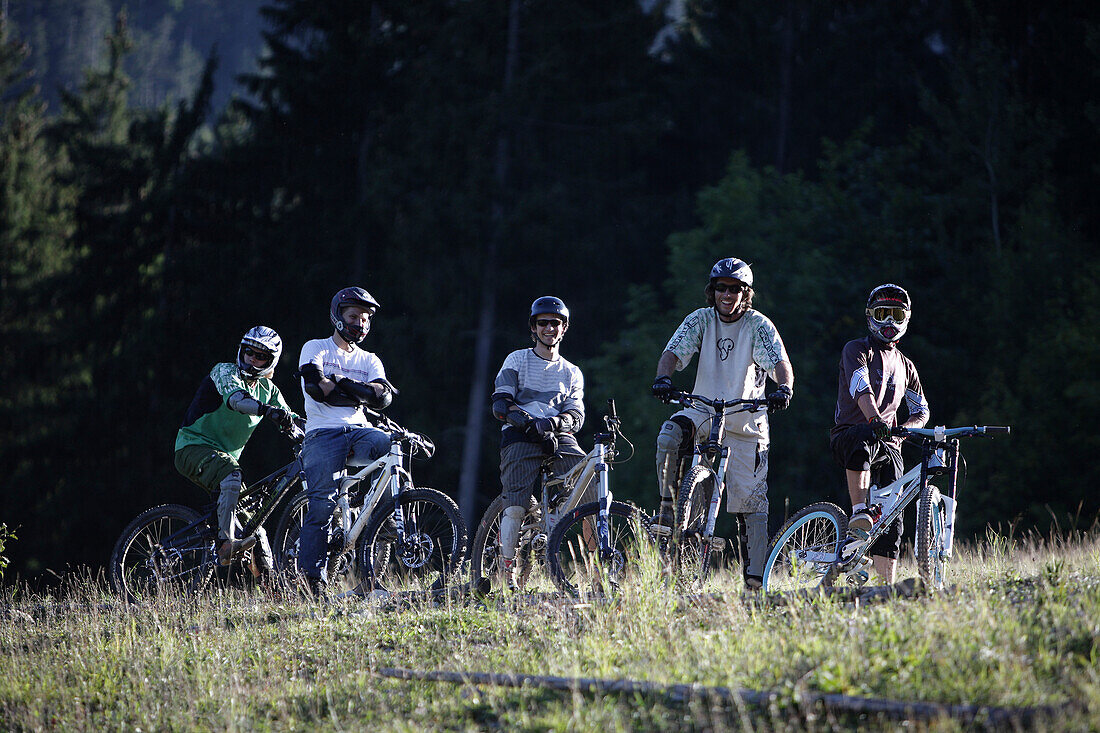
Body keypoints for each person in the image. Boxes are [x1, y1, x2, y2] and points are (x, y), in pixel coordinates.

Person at [651, 258, 794, 589]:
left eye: (735, 289)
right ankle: (668, 510)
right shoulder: (700, 320)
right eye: (720, 288)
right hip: (703, 409)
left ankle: (755, 583)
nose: (727, 295)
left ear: (746, 293)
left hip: (745, 420)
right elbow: (672, 352)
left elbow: (780, 363)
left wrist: (784, 388)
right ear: (711, 291)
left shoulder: (758, 325)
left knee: (752, 505)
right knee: (670, 435)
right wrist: (663, 378)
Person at [174, 326, 302, 578]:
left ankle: (272, 591)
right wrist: (267, 411)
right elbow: (237, 400)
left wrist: (321, 433)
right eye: (249, 352)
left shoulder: (269, 390)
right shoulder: (224, 371)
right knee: (233, 474)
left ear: (271, 361)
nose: (252, 359)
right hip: (192, 447)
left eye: (260, 356)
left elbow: (294, 420)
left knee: (255, 529)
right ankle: (225, 543)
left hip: (223, 461)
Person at [296, 287, 398, 597]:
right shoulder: (316, 348)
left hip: (360, 431)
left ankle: (387, 515)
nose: (361, 323)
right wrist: (358, 391)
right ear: (338, 317)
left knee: (390, 446)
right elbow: (315, 387)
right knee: (321, 507)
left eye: (366, 319)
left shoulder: (370, 358)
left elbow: (382, 398)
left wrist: (338, 382)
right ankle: (311, 581)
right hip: (321, 433)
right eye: (354, 317)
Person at [831, 283, 929, 584]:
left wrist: (904, 432)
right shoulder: (857, 349)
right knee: (863, 439)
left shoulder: (906, 366)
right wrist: (874, 418)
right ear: (869, 316)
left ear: (906, 320)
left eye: (896, 315)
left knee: (894, 520)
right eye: (882, 314)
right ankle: (859, 514)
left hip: (889, 444)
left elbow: (921, 410)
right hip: (851, 434)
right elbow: (861, 387)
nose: (889, 323)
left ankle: (887, 588)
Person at [490, 296, 586, 591]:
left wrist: (555, 424)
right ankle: (507, 576)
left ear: (564, 328)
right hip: (521, 436)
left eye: (555, 323)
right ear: (534, 327)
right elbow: (501, 404)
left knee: (589, 481)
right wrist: (530, 423)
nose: (549, 328)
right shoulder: (517, 359)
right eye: (543, 322)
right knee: (516, 506)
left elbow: (577, 414)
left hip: (558, 438)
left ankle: (595, 571)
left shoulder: (571, 371)